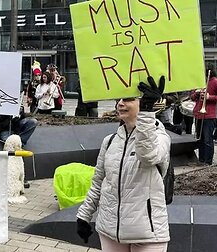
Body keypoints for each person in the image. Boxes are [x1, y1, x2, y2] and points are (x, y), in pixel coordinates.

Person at [76, 76, 170, 251]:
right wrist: (84, 215)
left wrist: (147, 113)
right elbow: (98, 182)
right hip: (110, 231)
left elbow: (147, 155)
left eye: (127, 99)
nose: (120, 103)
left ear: (143, 104)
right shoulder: (109, 141)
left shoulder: (160, 137)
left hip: (148, 234)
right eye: (118, 99)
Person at [191, 67, 217, 166]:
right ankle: (201, 160)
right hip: (199, 114)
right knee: (200, 139)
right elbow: (192, 97)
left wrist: (209, 97)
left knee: (208, 139)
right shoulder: (199, 82)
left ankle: (208, 161)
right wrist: (197, 93)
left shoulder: (215, 82)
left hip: (209, 115)